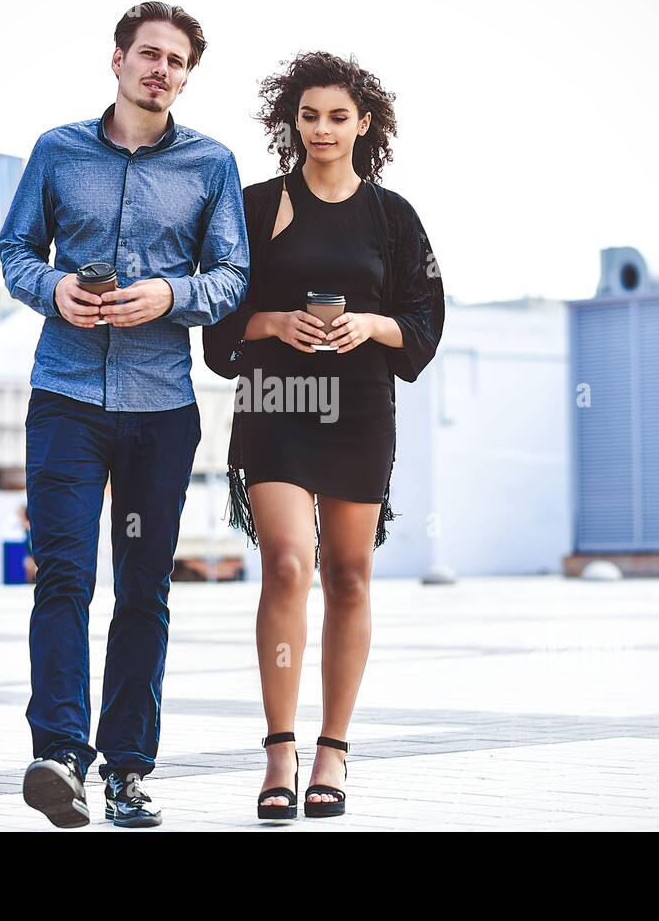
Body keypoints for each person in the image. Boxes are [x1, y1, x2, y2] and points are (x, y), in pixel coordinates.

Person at [0, 1, 250, 829]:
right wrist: (55, 289)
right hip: (65, 398)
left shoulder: (211, 164)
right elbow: (15, 250)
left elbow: (232, 277)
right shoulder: (57, 150)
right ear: (117, 59)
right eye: (149, 54)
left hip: (161, 410)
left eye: (178, 62)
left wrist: (170, 296)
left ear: (186, 75)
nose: (162, 71)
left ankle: (128, 772)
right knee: (64, 576)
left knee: (143, 590)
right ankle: (60, 756)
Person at [203, 51, 445, 819]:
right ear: (292, 120)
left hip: (360, 411)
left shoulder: (392, 216)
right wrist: (273, 321)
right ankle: (280, 745)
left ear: (364, 123)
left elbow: (426, 315)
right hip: (275, 400)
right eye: (308, 115)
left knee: (348, 575)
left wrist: (371, 324)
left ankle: (333, 747)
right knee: (285, 563)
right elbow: (217, 314)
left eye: (338, 116)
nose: (322, 129)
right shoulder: (255, 204)